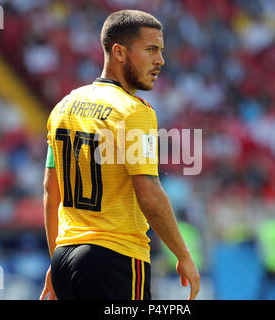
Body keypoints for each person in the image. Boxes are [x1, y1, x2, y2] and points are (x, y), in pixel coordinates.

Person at [39, 9, 200, 300]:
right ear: (119, 52)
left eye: (161, 51)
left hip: (65, 258)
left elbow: (52, 190)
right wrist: (183, 254)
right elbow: (149, 193)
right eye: (151, 50)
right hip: (116, 257)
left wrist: (56, 258)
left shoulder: (63, 106)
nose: (160, 60)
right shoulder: (134, 111)